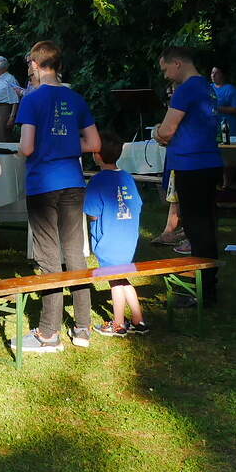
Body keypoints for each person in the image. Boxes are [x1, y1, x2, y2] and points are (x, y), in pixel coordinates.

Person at [13, 40, 102, 353]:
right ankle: (83, 327)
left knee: (49, 257)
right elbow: (94, 143)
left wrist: (39, 147)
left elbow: (26, 147)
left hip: (43, 184)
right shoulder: (76, 97)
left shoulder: (31, 99)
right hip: (73, 182)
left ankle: (49, 332)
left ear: (36, 65)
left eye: (29, 64)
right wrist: (65, 145)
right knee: (75, 252)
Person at [154, 45, 222, 306]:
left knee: (196, 228)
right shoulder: (207, 87)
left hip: (191, 165)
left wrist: (156, 132)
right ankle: (208, 286)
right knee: (206, 225)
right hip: (209, 162)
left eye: (166, 69)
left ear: (177, 64)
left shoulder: (185, 90)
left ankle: (204, 292)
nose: (166, 75)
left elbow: (167, 130)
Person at [85, 132, 148, 338]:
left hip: (108, 240)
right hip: (127, 238)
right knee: (122, 277)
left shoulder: (97, 181)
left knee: (115, 281)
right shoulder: (127, 177)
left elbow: (92, 213)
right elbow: (137, 204)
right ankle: (138, 320)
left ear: (97, 155)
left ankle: (118, 324)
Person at [209, 66, 236, 137]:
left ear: (222, 75)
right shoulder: (208, 88)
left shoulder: (231, 89)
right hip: (212, 131)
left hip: (228, 131)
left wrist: (217, 108)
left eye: (217, 73)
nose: (213, 75)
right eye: (212, 73)